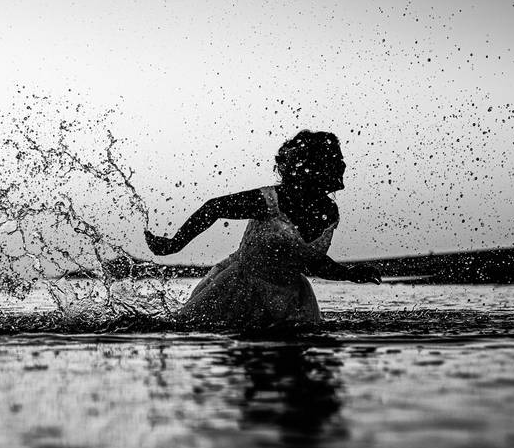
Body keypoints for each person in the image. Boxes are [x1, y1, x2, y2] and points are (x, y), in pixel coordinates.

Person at [144, 130, 380, 330]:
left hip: (291, 300)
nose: (342, 165)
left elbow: (311, 261)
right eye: (335, 159)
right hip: (240, 290)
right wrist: (174, 244)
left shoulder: (330, 212)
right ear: (312, 167)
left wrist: (349, 273)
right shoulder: (270, 200)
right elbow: (214, 207)